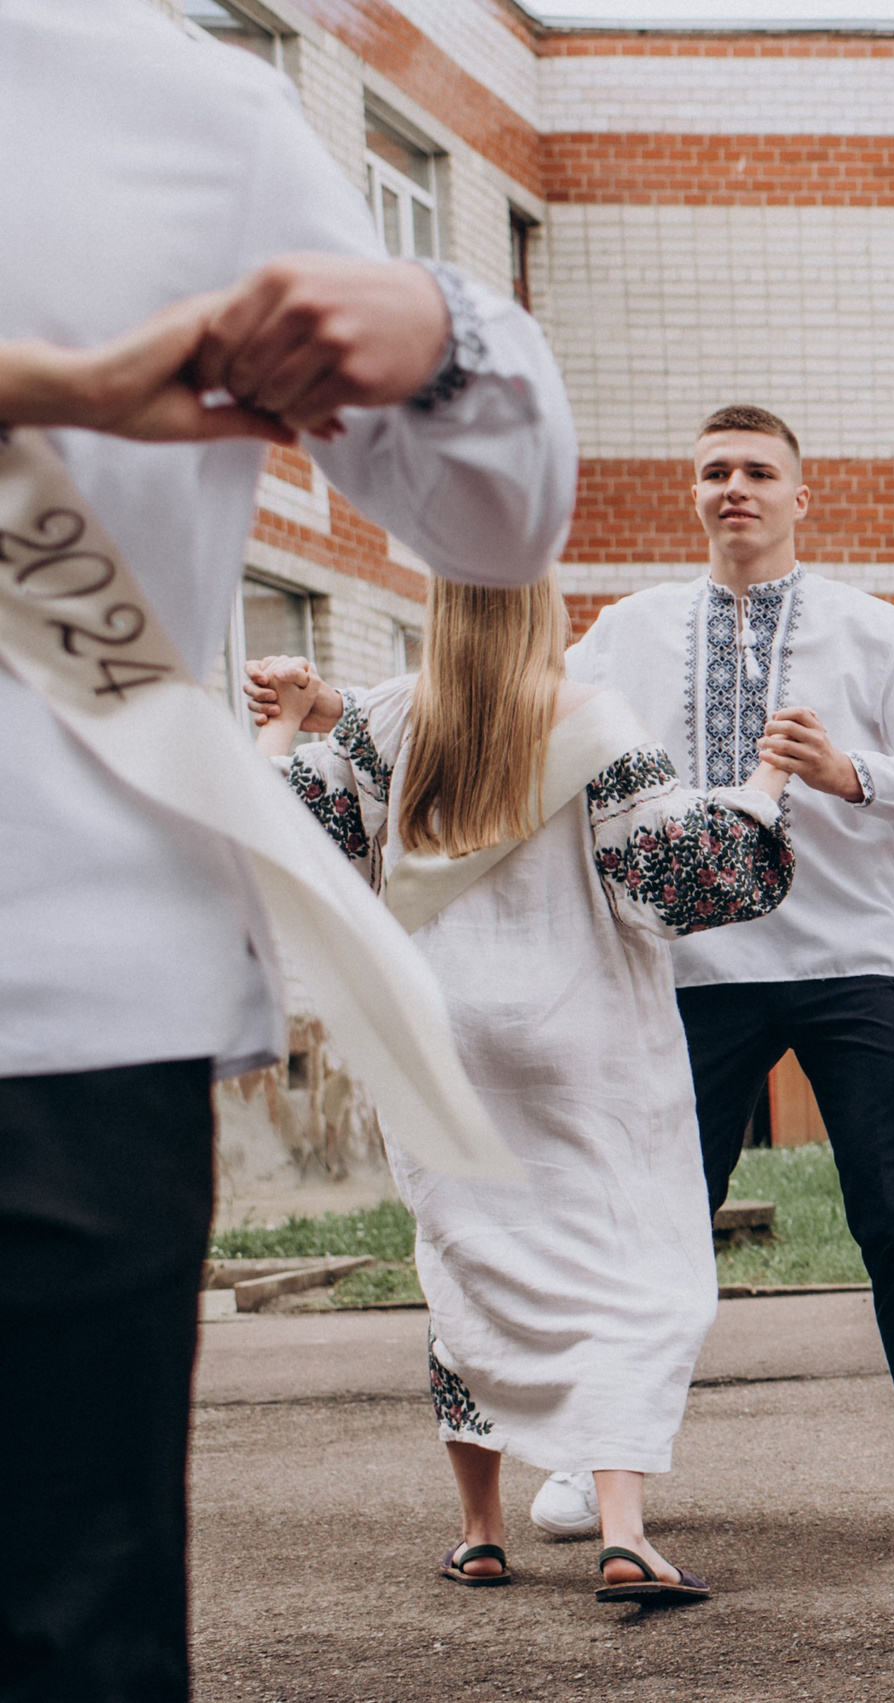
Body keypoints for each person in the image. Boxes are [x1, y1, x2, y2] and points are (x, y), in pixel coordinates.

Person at [0, 1, 577, 1692]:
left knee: (69, 1637)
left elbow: (499, 514)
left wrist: (437, 327)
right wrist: (66, 388)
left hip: (63, 1009)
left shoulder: (184, 106)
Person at [249, 573, 791, 1601]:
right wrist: (760, 793)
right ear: (543, 612)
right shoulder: (593, 721)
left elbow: (296, 838)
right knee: (621, 1266)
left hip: (435, 1034)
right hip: (576, 1040)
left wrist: (280, 728)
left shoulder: (392, 715)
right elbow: (669, 880)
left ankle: (481, 1530)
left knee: (469, 1263)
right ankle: (623, 1528)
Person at [550, 404, 894, 1564]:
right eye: (714, 471)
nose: (735, 488)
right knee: (655, 1226)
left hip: (850, 964)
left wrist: (849, 770)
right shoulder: (626, 630)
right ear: (692, 493)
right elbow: (527, 740)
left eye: (759, 471)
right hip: (690, 969)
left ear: (799, 495)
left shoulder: (869, 631)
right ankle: (589, 1451)